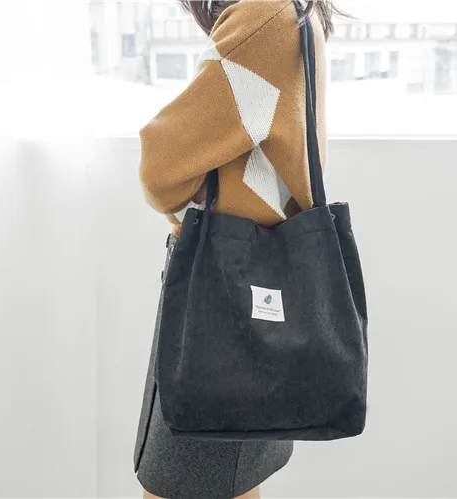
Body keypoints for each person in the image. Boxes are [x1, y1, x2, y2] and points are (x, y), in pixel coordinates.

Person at [133, 1, 338, 497]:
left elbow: (160, 166)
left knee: (180, 485)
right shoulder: (294, 13)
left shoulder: (263, 18)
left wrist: (188, 209)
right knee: (230, 483)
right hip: (259, 294)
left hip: (224, 300)